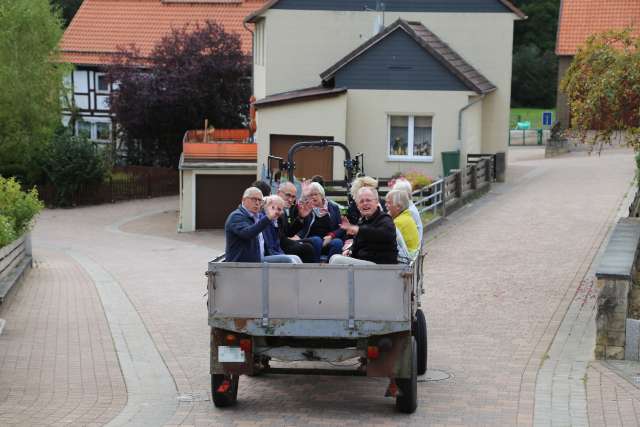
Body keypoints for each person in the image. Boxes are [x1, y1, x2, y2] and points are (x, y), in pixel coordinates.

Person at [224, 187, 294, 263]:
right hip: (242, 263)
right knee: (288, 260)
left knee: (294, 258)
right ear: (243, 200)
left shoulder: (257, 216)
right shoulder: (236, 216)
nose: (257, 203)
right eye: (254, 199)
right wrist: (268, 218)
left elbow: (274, 242)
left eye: (260, 200)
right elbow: (248, 233)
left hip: (258, 260)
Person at [330, 187, 398, 265]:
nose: (365, 203)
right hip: (365, 265)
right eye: (361, 201)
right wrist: (350, 251)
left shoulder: (385, 219)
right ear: (358, 206)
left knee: (337, 260)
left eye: (368, 200)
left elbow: (384, 234)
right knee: (334, 257)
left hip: (380, 266)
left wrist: (357, 230)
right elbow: (357, 246)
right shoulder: (362, 221)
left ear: (376, 202)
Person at [294, 182, 343, 260]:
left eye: (315, 194)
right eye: (310, 195)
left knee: (337, 242)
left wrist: (331, 236)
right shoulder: (307, 208)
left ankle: (330, 268)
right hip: (311, 241)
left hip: (328, 240)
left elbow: (341, 228)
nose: (313, 197)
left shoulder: (334, 208)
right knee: (317, 240)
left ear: (322, 195)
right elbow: (298, 215)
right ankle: (315, 268)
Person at [274, 182, 317, 262]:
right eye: (288, 195)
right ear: (278, 192)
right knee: (307, 248)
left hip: (282, 242)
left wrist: (301, 217)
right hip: (275, 245)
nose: (290, 199)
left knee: (310, 245)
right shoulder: (271, 207)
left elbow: (288, 233)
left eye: (293, 197)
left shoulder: (284, 209)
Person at [260, 195, 303, 263]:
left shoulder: (273, 221)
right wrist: (281, 255)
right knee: (289, 260)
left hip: (274, 252)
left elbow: (277, 245)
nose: (281, 213)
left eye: (281, 209)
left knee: (296, 258)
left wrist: (282, 254)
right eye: (279, 209)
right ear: (271, 207)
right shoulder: (264, 220)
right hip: (266, 256)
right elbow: (269, 247)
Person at [386, 189, 419, 263]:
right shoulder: (406, 216)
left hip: (406, 260)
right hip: (413, 257)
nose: (385, 205)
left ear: (398, 206)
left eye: (388, 203)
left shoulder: (398, 222)